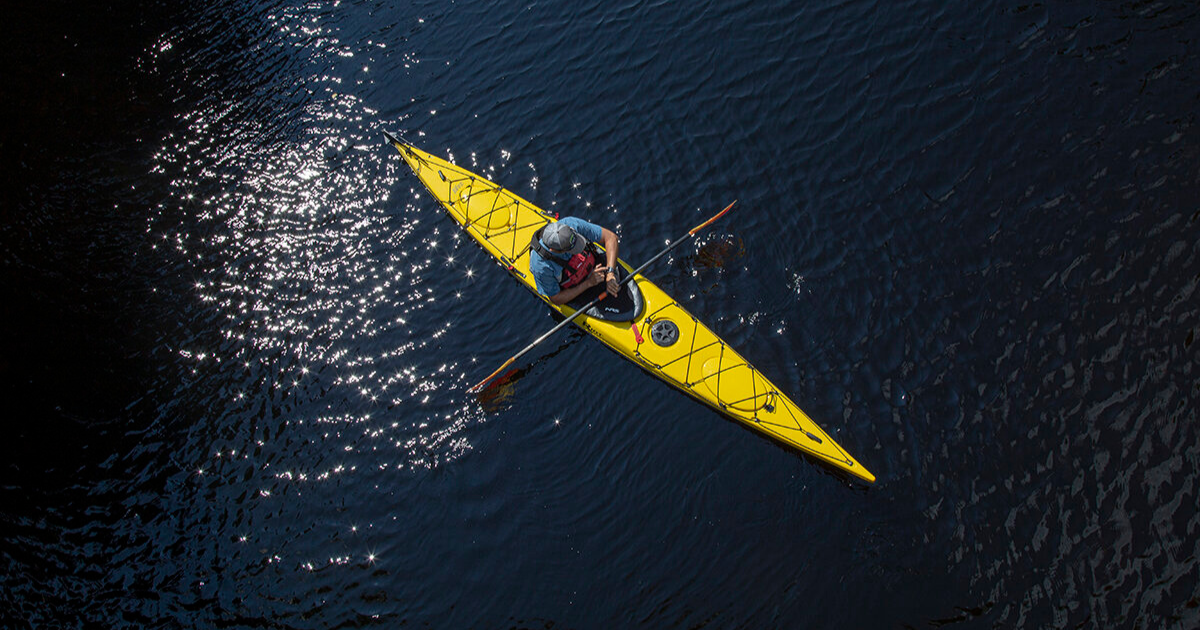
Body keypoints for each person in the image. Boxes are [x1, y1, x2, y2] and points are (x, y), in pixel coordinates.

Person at [529, 217, 620, 305]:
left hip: (595, 268)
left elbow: (611, 237)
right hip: (578, 287)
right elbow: (555, 298)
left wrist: (610, 272)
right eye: (571, 249)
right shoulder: (540, 266)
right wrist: (589, 283)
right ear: (554, 250)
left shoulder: (571, 223)